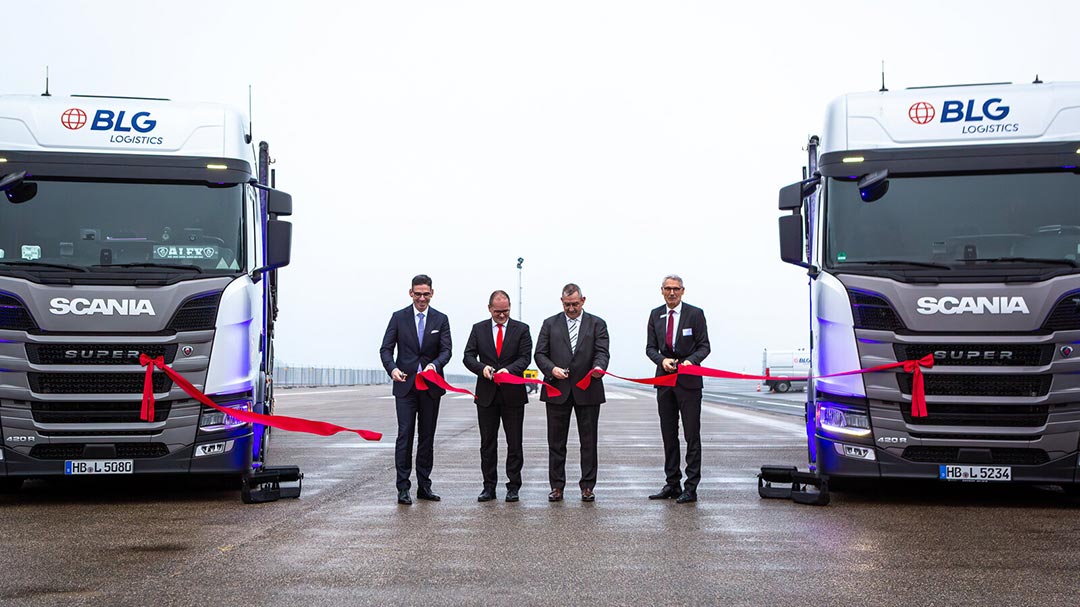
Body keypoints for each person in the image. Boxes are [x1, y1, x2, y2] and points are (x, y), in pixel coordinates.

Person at [379, 275, 452, 506]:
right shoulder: (398, 318)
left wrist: (435, 365)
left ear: (432, 293)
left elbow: (446, 350)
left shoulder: (441, 319)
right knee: (405, 436)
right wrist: (392, 369)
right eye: (418, 293)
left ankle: (424, 486)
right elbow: (386, 349)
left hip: (430, 387)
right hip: (406, 386)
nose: (422, 298)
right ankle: (403, 487)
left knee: (427, 438)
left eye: (426, 294)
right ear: (410, 293)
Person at [534, 283, 609, 502]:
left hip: (588, 389)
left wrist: (598, 368)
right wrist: (551, 369)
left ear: (583, 301)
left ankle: (587, 486)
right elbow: (540, 354)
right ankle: (557, 486)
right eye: (567, 305)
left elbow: (602, 352)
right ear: (562, 302)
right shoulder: (550, 324)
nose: (571, 308)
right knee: (556, 443)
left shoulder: (597, 324)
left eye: (575, 304)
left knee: (589, 442)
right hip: (558, 390)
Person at [645, 274, 711, 504]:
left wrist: (690, 361)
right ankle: (672, 483)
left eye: (676, 289)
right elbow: (650, 348)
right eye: (667, 289)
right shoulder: (655, 314)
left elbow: (705, 346)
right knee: (668, 434)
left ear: (683, 291)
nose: (671, 293)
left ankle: (691, 487)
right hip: (665, 380)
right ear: (661, 291)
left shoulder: (695, 314)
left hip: (689, 381)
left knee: (691, 435)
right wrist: (661, 360)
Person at [463, 290, 533, 503]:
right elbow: (468, 356)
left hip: (513, 395)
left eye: (505, 311)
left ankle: (513, 487)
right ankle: (489, 487)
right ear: (489, 309)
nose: (502, 315)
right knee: (487, 444)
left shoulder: (522, 329)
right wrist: (482, 368)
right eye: (497, 312)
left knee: (514, 443)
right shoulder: (478, 329)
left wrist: (510, 371)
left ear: (510, 308)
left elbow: (525, 358)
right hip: (486, 395)